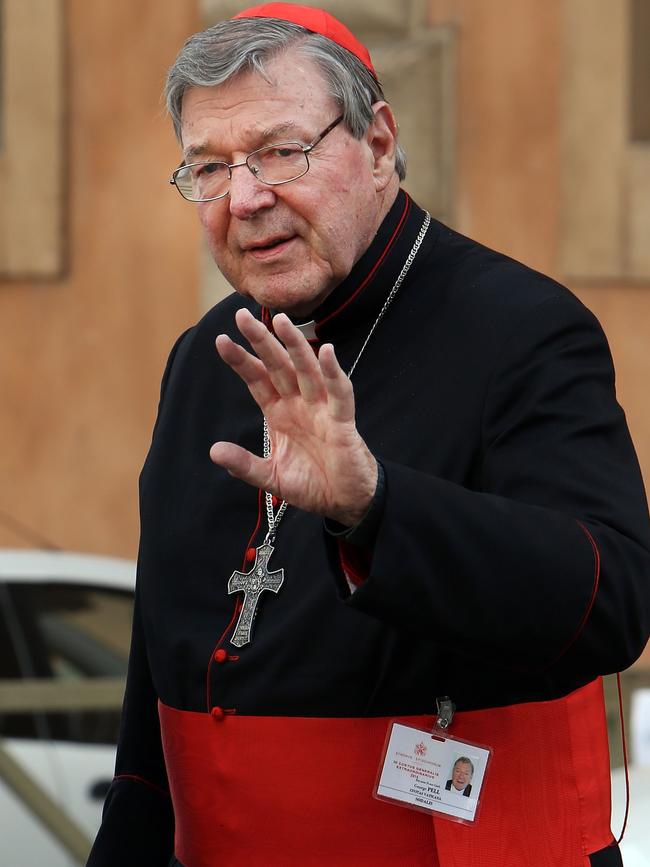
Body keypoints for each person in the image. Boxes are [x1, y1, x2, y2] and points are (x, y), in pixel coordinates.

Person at [88, 4, 650, 866]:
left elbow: (611, 601)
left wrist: (376, 509)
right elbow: (153, 696)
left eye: (281, 151)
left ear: (379, 144)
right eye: (210, 167)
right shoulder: (206, 359)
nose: (246, 199)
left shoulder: (524, 329)